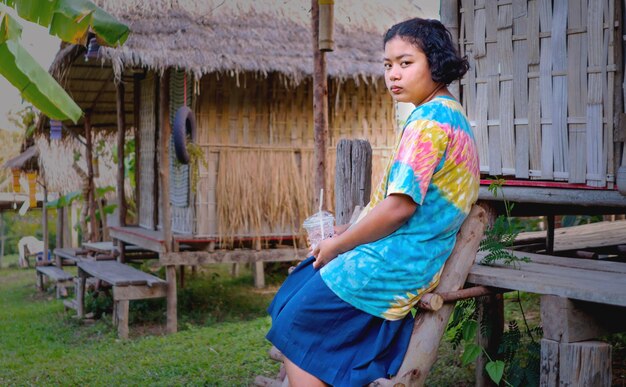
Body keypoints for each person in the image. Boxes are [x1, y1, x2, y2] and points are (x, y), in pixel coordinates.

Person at [266, 17, 479, 386]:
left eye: (406, 63)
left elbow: (400, 208)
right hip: (410, 255)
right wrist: (348, 230)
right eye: (387, 65)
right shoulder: (449, 114)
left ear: (435, 62)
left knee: (293, 323)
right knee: (298, 289)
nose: (393, 74)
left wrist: (337, 244)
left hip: (398, 262)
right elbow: (406, 203)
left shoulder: (428, 124)